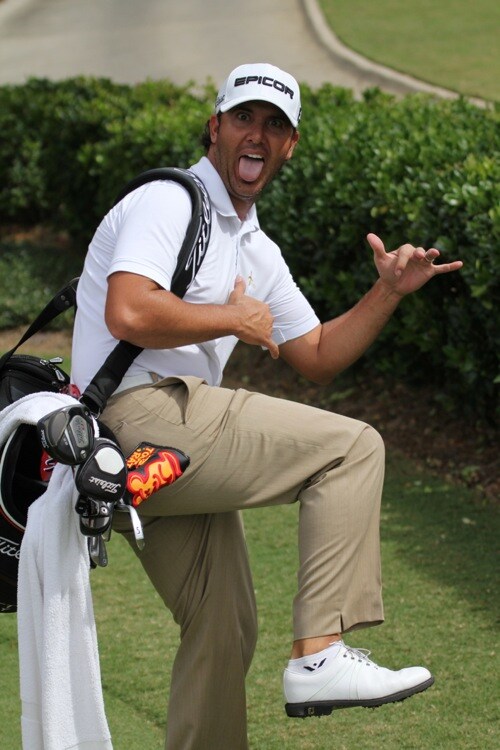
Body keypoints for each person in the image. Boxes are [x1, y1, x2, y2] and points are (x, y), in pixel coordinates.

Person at [71, 62, 463, 750]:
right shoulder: (171, 201)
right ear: (215, 127)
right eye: (245, 118)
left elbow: (317, 355)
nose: (257, 134)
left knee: (224, 623)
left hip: (151, 462)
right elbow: (128, 310)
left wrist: (387, 294)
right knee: (352, 447)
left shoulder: (255, 247)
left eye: (275, 125)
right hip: (140, 419)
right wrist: (232, 318)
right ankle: (319, 656)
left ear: (291, 146)